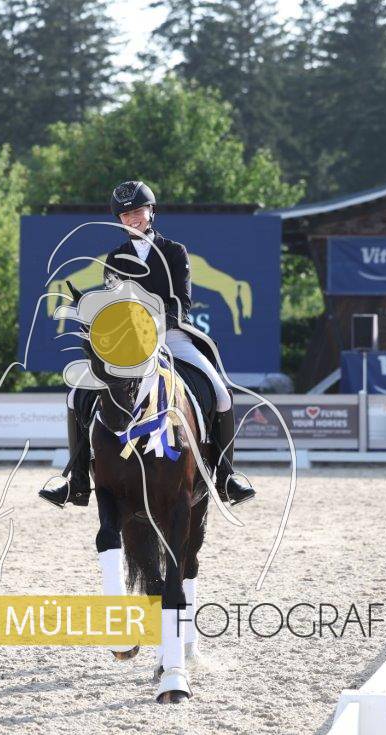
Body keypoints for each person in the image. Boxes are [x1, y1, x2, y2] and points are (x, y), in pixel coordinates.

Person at [38, 180, 255, 508]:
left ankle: (226, 476)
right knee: (75, 396)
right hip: (129, 345)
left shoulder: (174, 252)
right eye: (126, 215)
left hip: (171, 337)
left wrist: (150, 324)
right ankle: (77, 480)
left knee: (221, 394)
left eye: (138, 211)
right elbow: (114, 305)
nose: (133, 218)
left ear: (151, 211)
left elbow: (181, 304)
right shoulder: (115, 258)